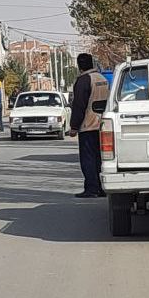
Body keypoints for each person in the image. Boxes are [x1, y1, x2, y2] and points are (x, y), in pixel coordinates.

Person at [68, 53, 110, 198]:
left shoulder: (83, 81)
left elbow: (79, 105)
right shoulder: (102, 79)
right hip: (104, 125)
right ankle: (103, 187)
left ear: (79, 66)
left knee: (88, 159)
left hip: (88, 125)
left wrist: (74, 127)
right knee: (100, 159)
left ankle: (92, 188)